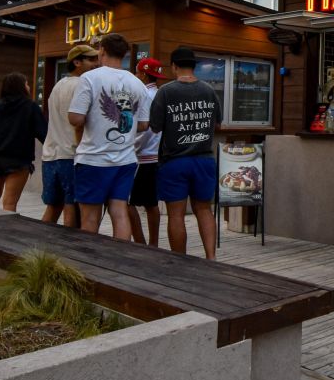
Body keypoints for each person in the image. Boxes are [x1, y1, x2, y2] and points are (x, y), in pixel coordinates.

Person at [69, 33, 148, 240]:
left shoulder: (90, 78)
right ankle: (119, 257)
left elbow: (75, 118)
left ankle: (89, 258)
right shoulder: (137, 83)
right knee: (120, 212)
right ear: (124, 54)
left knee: (90, 217)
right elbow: (143, 124)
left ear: (102, 51)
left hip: (93, 158)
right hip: (126, 159)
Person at [148, 46, 221, 259]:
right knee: (204, 210)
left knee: (176, 214)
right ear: (194, 66)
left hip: (174, 161)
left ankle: (181, 261)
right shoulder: (209, 90)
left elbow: (155, 127)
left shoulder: (166, 91)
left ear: (174, 66)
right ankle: (211, 258)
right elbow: (218, 124)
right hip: (204, 159)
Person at [40, 44, 98, 225]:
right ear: (77, 62)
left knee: (53, 207)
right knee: (71, 207)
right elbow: (79, 124)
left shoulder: (58, 85)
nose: (96, 63)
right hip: (72, 155)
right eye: (91, 59)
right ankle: (68, 245)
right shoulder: (82, 85)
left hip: (51, 156)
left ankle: (40, 242)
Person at [0, 73, 46, 211]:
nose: (29, 86)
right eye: (26, 83)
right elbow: (43, 132)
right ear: (21, 86)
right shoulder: (30, 106)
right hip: (19, 159)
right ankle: (6, 226)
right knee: (10, 202)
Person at [129, 56, 167, 247]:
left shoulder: (143, 94)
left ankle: (140, 243)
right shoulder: (160, 95)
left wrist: (131, 148)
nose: (136, 75)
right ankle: (153, 244)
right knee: (151, 203)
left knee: (125, 202)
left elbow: (144, 128)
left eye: (137, 72)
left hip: (141, 156)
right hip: (156, 155)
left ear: (143, 75)